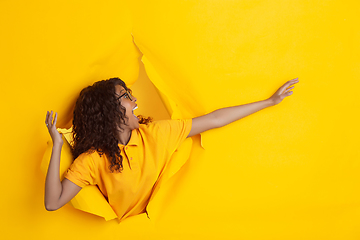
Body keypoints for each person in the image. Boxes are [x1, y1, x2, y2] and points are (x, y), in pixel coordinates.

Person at [44, 77, 299, 221]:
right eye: (126, 96)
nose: (134, 101)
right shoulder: (93, 161)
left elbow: (213, 120)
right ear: (109, 110)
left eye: (131, 94)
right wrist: (57, 145)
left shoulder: (155, 134)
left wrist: (269, 102)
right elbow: (53, 202)